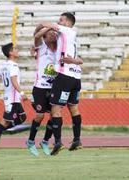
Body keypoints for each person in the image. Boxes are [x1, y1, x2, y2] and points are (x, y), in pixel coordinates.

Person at [39, 12, 83, 156]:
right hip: (76, 76)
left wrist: (46, 25)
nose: (59, 22)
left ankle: (58, 142)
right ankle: (77, 140)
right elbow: (78, 58)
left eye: (61, 20)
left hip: (64, 76)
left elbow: (45, 23)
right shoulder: (71, 37)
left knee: (55, 110)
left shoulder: (66, 30)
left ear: (69, 23)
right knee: (74, 108)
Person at [0, 43, 27, 151]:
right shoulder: (13, 66)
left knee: (22, 118)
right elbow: (14, 81)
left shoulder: (3, 65)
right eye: (15, 49)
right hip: (12, 99)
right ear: (10, 53)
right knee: (5, 121)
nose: (17, 50)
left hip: (12, 98)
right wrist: (22, 93)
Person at [25, 27, 58, 156]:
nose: (53, 35)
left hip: (53, 87)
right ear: (44, 37)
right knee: (40, 115)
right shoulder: (41, 47)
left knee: (53, 115)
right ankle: (30, 141)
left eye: (54, 33)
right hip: (40, 87)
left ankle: (45, 141)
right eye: (49, 34)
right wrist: (48, 27)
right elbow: (37, 36)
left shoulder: (58, 49)